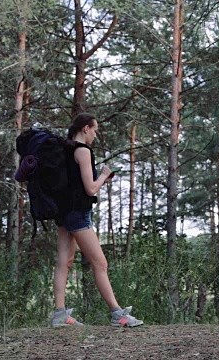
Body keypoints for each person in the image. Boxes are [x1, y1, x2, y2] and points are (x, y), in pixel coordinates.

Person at [51, 113, 143, 328]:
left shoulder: (64, 149)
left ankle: (59, 314)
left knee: (64, 262)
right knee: (100, 263)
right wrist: (103, 175)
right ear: (85, 128)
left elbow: (74, 183)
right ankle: (117, 314)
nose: (95, 134)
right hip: (77, 214)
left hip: (63, 212)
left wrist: (99, 178)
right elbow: (90, 188)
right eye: (94, 130)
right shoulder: (82, 151)